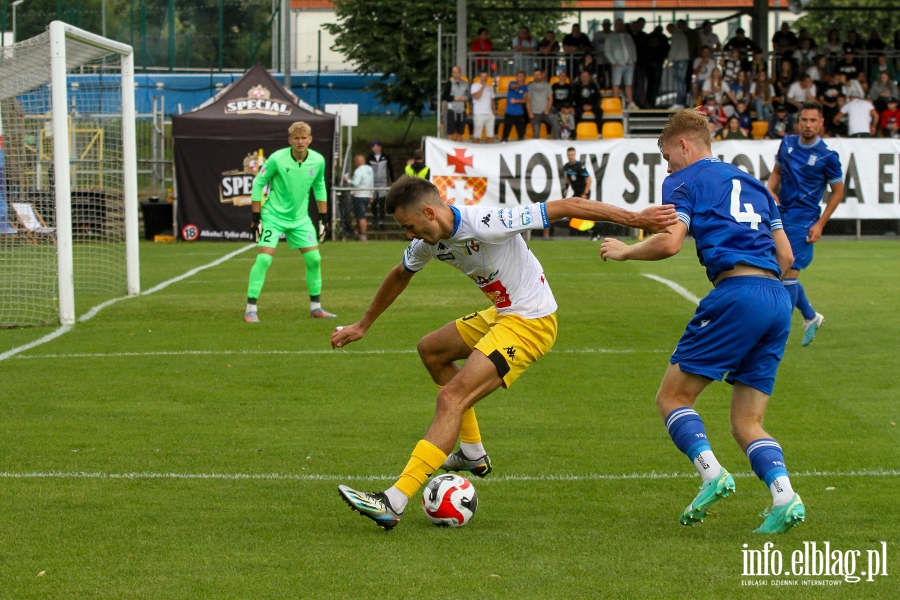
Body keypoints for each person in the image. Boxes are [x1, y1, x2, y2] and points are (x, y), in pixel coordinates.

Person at [334, 176, 677, 531]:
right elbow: (400, 275)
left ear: (428, 213)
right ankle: (471, 453)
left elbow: (568, 205)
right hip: (503, 313)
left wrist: (637, 219)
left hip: (531, 321)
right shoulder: (428, 240)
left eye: (409, 226)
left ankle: (393, 500)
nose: (409, 235)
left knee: (452, 398)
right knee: (432, 351)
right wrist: (363, 324)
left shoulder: (487, 223)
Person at [600, 108, 804, 535]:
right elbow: (787, 258)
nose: (666, 166)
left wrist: (625, 251)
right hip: (777, 298)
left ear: (684, 144)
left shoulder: (683, 180)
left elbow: (671, 242)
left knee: (672, 398)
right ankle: (784, 497)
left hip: (737, 293)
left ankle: (712, 473)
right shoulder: (754, 184)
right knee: (746, 422)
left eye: (666, 156)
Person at [767, 101, 844, 347]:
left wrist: (821, 223)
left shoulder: (828, 156)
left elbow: (838, 191)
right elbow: (777, 171)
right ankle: (810, 317)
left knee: (789, 271)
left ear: (821, 123)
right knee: (782, 271)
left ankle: (777, 333)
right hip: (782, 215)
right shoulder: (787, 143)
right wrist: (769, 190)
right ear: (799, 121)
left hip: (805, 220)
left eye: (813, 120)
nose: (808, 124)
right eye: (804, 120)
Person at [245, 121, 336, 322]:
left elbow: (319, 186)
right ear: (290, 140)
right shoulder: (277, 159)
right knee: (264, 259)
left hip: (300, 219)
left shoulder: (318, 161)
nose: (300, 141)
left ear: (310, 139)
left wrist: (323, 219)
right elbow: (259, 182)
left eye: (304, 138)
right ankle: (250, 309)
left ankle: (316, 308)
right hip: (273, 216)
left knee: (314, 259)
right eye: (296, 138)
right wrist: (255, 217)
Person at [605, 19, 639, 110]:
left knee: (629, 84)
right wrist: (613, 62)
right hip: (618, 64)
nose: (620, 26)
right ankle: (616, 102)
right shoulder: (611, 37)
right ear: (615, 26)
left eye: (621, 25)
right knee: (616, 83)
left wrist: (634, 60)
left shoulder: (628, 36)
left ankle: (630, 102)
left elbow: (633, 48)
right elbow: (607, 51)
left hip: (629, 63)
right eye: (618, 25)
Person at [343, 154, 374, 241]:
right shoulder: (370, 169)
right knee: (360, 215)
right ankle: (361, 234)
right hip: (367, 194)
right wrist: (371, 194)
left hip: (359, 195)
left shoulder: (358, 171)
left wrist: (347, 180)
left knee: (361, 216)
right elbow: (372, 182)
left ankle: (363, 235)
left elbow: (356, 183)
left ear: (357, 162)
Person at [368, 141, 394, 230]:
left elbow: (390, 169)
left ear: (380, 147)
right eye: (373, 147)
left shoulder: (385, 157)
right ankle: (375, 217)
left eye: (377, 147)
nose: (375, 148)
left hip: (383, 182)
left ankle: (382, 221)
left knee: (382, 201)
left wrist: (391, 180)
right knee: (373, 201)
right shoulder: (370, 157)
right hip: (373, 182)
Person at [527, 68, 559, 139]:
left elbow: (550, 98)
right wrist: (530, 112)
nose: (537, 76)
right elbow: (528, 100)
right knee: (536, 132)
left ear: (542, 75)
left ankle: (557, 141)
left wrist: (547, 109)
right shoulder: (530, 86)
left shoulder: (547, 85)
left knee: (556, 124)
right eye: (535, 75)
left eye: (538, 75)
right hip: (535, 112)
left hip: (546, 112)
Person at [645, 25, 670, 109]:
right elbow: (667, 49)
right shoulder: (663, 37)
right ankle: (652, 101)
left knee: (649, 82)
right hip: (658, 62)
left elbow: (643, 49)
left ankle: (648, 101)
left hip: (648, 62)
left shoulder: (648, 37)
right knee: (656, 83)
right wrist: (667, 60)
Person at [442, 66, 469, 142]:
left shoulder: (465, 84)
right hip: (452, 110)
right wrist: (453, 98)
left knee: (460, 132)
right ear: (452, 73)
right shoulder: (449, 83)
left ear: (460, 73)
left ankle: (458, 148)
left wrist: (465, 98)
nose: (456, 74)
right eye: (454, 72)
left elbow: (469, 95)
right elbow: (444, 96)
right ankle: (449, 148)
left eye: (457, 72)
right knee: (450, 132)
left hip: (462, 110)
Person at [667, 22, 690, 109]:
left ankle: (679, 102)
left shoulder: (675, 35)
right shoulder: (683, 35)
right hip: (685, 59)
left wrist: (669, 61)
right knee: (682, 82)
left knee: (679, 81)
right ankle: (682, 102)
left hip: (679, 60)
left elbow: (673, 49)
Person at [501, 71, 529, 141]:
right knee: (506, 131)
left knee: (521, 133)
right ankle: (503, 143)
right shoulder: (512, 83)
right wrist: (520, 84)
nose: (521, 77)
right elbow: (513, 87)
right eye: (519, 76)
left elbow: (525, 100)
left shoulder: (525, 87)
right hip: (509, 112)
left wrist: (516, 101)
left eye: (522, 76)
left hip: (520, 113)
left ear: (525, 77)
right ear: (516, 77)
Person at [470, 69, 496, 144]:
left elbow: (492, 100)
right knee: (477, 135)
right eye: (482, 76)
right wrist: (483, 87)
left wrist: (494, 112)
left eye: (485, 77)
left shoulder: (490, 88)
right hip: (479, 114)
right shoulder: (474, 86)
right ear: (479, 77)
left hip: (489, 114)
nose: (484, 78)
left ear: (487, 77)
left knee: (490, 135)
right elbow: (476, 96)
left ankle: (490, 151)